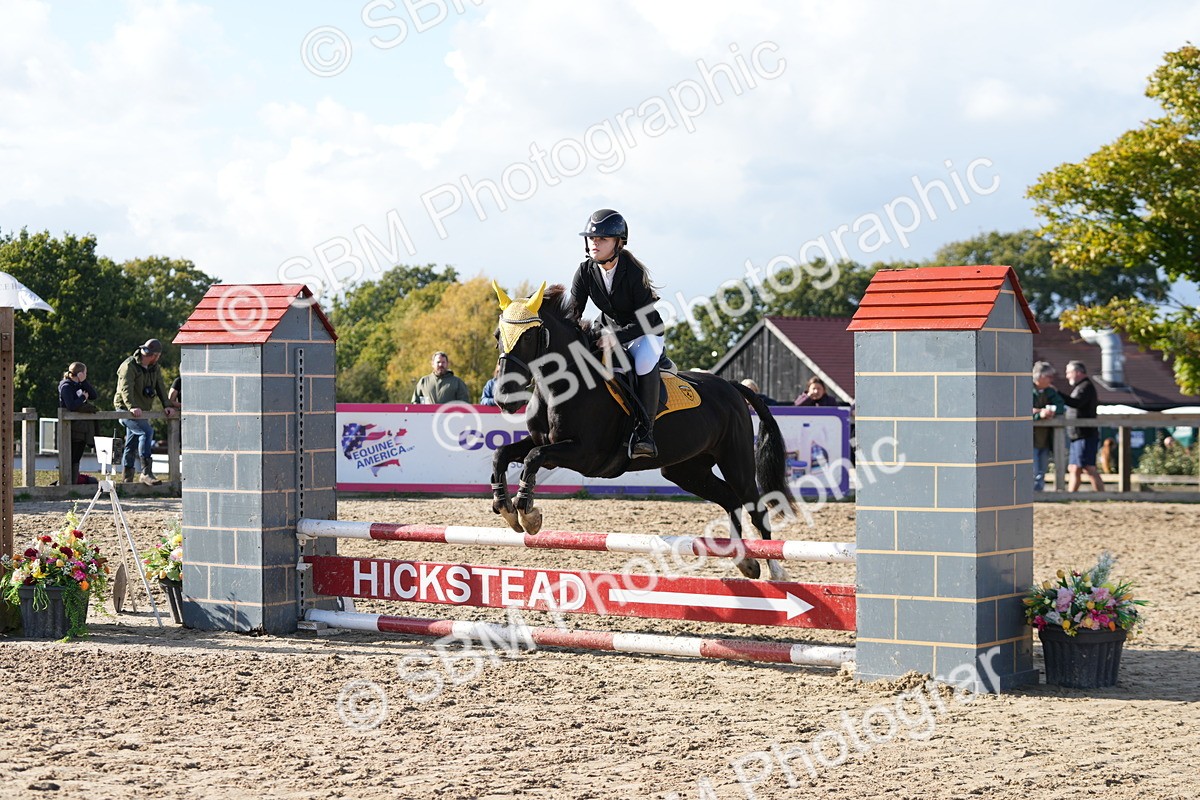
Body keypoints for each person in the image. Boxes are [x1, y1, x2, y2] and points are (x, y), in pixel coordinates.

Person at [568, 209, 666, 459]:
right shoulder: (585, 270)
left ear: (618, 242)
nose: (595, 243)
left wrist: (616, 338)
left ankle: (646, 433)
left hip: (646, 332)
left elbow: (643, 320)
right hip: (609, 330)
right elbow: (574, 313)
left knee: (643, 363)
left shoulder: (632, 271)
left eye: (602, 239)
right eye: (592, 238)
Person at [113, 339, 175, 485]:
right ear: (155, 355)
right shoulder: (129, 366)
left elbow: (160, 386)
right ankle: (146, 473)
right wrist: (131, 406)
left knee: (131, 442)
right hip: (125, 409)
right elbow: (125, 389)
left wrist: (167, 405)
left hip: (141, 411)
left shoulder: (154, 368)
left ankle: (127, 479)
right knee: (146, 432)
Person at [1061, 360, 1103, 492]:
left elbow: (1076, 403)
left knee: (1088, 468)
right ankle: (1071, 495)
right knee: (1074, 467)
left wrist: (1056, 393)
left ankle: (1102, 496)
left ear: (1078, 372)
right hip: (1077, 434)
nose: (1067, 376)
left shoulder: (1086, 387)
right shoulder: (1082, 387)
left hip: (1085, 434)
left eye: (1069, 372)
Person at [58, 362, 100, 485]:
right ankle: (69, 482)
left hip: (82, 427)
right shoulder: (66, 386)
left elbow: (94, 395)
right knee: (72, 456)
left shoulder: (79, 384)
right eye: (85, 373)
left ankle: (74, 480)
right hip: (71, 427)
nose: (86, 375)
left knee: (77, 456)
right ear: (80, 373)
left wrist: (83, 382)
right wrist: (82, 398)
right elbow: (71, 405)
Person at [1032, 361, 1065, 492]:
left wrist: (1051, 412)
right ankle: (1030, 493)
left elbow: (1060, 406)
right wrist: (1040, 414)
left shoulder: (1050, 391)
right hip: (1030, 439)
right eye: (1049, 376)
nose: (1051, 379)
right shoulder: (1025, 389)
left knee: (1042, 469)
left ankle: (1038, 492)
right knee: (1032, 468)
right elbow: (1020, 411)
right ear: (1040, 376)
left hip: (1045, 438)